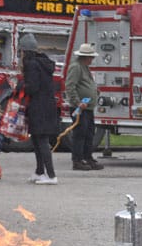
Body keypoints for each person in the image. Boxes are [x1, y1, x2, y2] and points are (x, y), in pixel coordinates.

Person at [19, 33, 58, 185]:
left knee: (41, 140)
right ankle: (39, 171)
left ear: (25, 51)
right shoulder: (43, 63)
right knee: (37, 139)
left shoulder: (31, 65)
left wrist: (21, 86)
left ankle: (51, 174)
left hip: (38, 106)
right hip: (47, 105)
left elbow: (33, 87)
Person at [65, 43, 103, 172]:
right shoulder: (76, 67)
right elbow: (70, 86)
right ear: (84, 57)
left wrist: (94, 90)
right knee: (80, 134)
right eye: (90, 57)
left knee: (89, 133)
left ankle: (87, 157)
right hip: (80, 108)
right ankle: (77, 160)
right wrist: (77, 102)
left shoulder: (85, 67)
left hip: (88, 107)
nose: (92, 59)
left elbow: (85, 84)